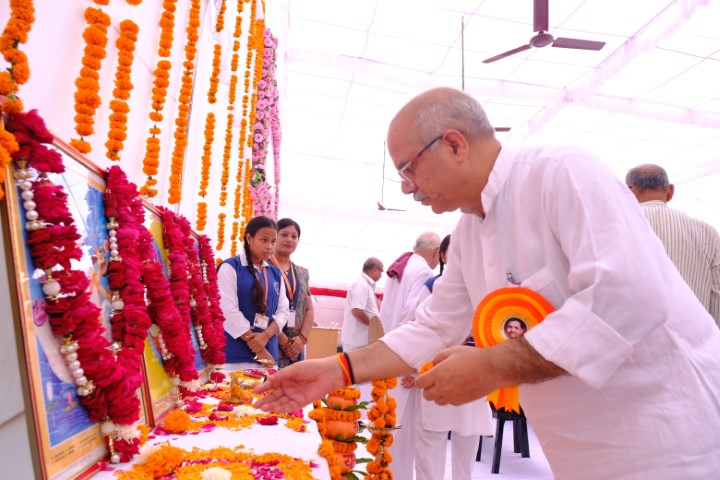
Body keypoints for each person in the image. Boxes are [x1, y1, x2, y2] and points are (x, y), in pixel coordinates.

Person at [256, 87, 720, 479]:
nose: (406, 188)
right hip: (579, 453)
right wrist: (335, 370)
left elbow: (629, 298)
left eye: (408, 169)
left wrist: (492, 366)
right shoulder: (469, 233)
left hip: (671, 442)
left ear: (454, 144)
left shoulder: (560, 171)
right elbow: (431, 326)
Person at [414, 234, 493, 480]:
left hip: (476, 371)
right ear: (443, 255)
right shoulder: (431, 286)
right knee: (432, 436)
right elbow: (418, 328)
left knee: (469, 436)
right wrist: (413, 366)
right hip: (438, 369)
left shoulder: (488, 287)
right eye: (454, 250)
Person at [378, 231, 440, 479]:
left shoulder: (401, 265)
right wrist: (412, 360)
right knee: (403, 426)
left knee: (389, 421)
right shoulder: (423, 270)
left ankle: (385, 471)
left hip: (389, 349)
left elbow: (387, 312)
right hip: (404, 355)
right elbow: (412, 314)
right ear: (436, 252)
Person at [626, 163, 720, 326]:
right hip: (693, 336)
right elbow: (716, 295)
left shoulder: (615, 228)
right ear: (670, 191)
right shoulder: (707, 232)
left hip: (632, 338)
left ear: (628, 192)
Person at [218, 215, 291, 370]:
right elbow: (228, 311)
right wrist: (259, 349)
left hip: (269, 356)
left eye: (273, 241)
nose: (269, 247)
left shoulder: (275, 273)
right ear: (249, 238)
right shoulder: (230, 267)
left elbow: (283, 311)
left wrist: (265, 336)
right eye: (264, 240)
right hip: (236, 357)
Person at [268, 218, 315, 367]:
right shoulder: (264, 268)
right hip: (270, 343)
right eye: (284, 235)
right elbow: (262, 311)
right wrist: (285, 343)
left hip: (296, 347)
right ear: (275, 237)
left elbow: (309, 309)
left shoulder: (302, 273)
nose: (289, 239)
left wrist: (301, 339)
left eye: (294, 236)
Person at [340, 257, 384, 353]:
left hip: (361, 342)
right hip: (356, 343)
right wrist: (374, 326)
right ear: (374, 270)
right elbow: (357, 311)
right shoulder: (361, 285)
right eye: (381, 271)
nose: (381, 275)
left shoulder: (366, 285)